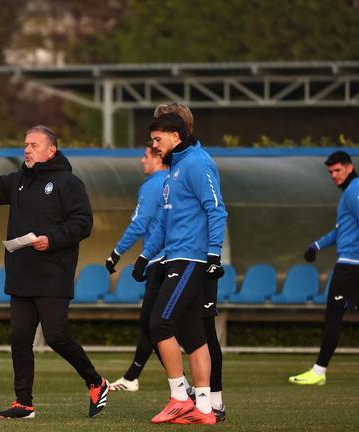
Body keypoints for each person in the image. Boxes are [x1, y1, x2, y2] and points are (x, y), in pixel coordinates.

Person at [0, 125, 109, 419]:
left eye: (33, 145)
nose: (26, 149)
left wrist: (51, 239)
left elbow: (83, 223)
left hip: (53, 273)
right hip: (21, 273)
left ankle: (96, 381)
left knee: (56, 336)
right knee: (19, 337)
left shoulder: (69, 183)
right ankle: (24, 403)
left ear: (50, 151)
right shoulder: (19, 180)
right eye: (25, 144)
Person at [132, 112, 227, 425]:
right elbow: (163, 220)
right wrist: (145, 256)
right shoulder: (173, 168)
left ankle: (179, 398)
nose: (155, 146)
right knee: (193, 335)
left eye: (158, 139)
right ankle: (203, 409)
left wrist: (214, 255)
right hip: (175, 257)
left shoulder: (198, 163)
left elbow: (216, 210)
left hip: (191, 259)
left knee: (159, 325)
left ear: (175, 135)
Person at [289, 150, 359, 386]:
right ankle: (319, 371)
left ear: (349, 167)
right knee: (334, 318)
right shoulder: (349, 193)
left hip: (350, 267)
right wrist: (317, 246)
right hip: (350, 265)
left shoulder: (354, 189)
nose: (333, 175)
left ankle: (318, 372)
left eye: (337, 170)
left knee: (333, 318)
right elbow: (343, 230)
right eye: (330, 172)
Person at [105, 142, 168, 392]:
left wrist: (116, 253)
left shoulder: (152, 185)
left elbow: (139, 224)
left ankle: (187, 387)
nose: (142, 161)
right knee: (154, 323)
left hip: (159, 262)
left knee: (155, 324)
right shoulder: (174, 181)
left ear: (158, 158)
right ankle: (132, 376)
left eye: (146, 156)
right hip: (175, 260)